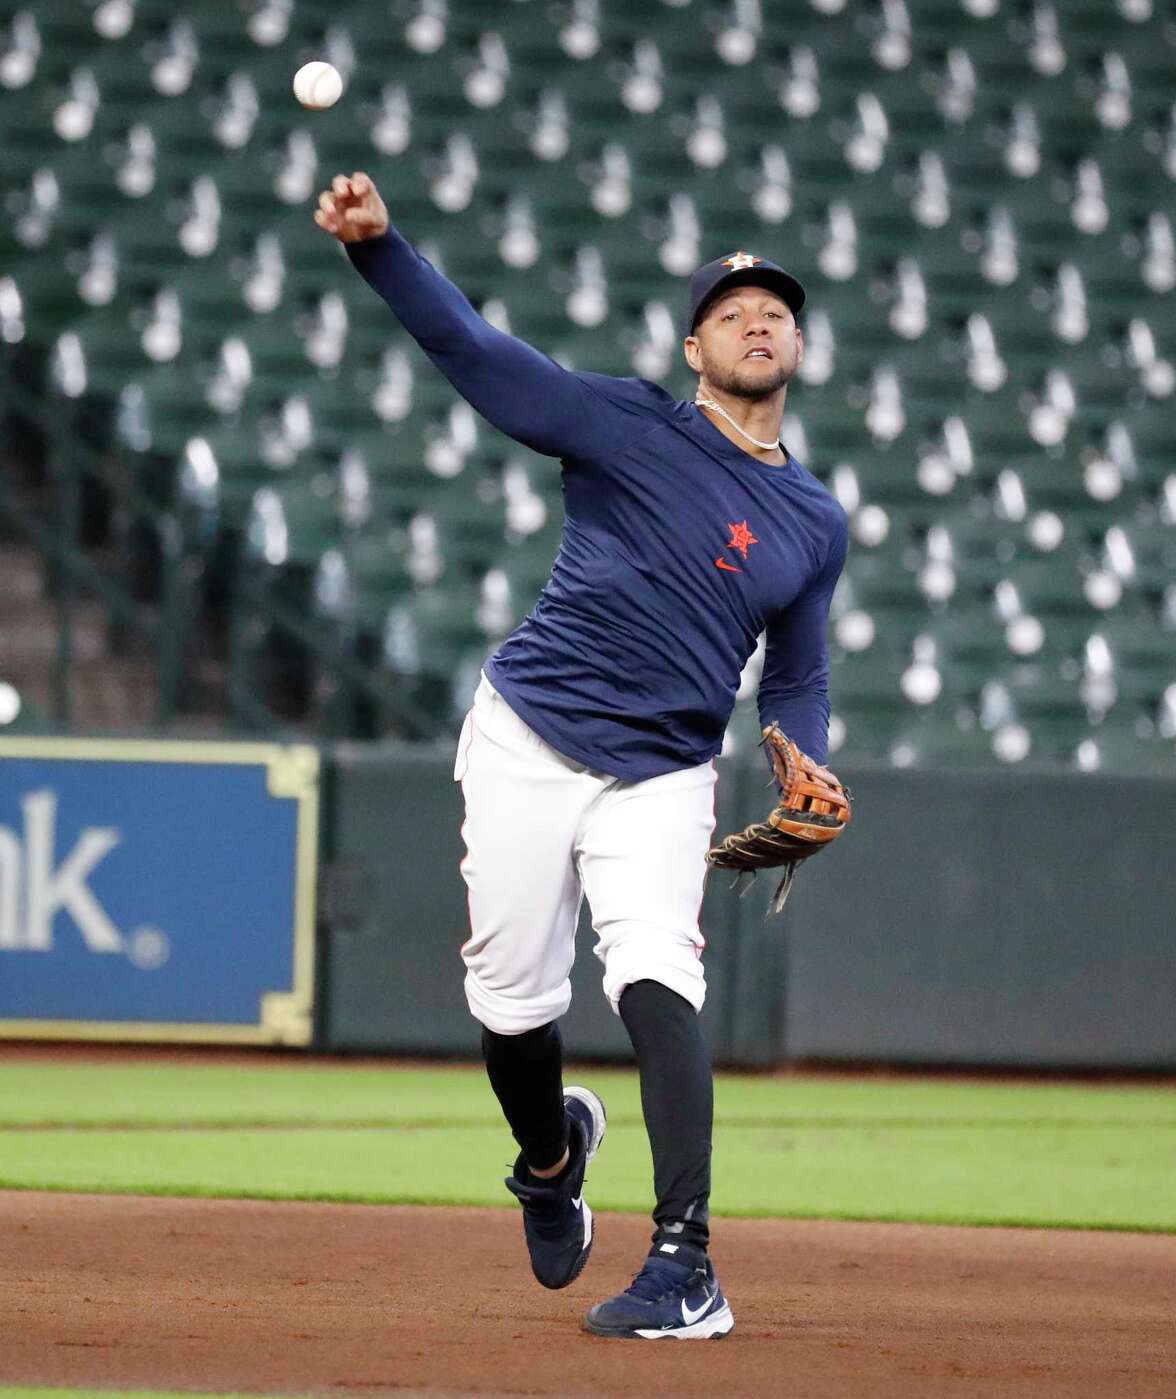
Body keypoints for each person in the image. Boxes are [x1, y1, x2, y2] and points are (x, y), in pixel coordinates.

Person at [315, 171, 848, 1340]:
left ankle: (685, 1261)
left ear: (798, 342)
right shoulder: (627, 422)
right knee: (511, 1002)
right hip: (528, 735)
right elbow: (471, 347)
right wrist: (378, 248)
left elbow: (797, 672)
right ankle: (552, 1157)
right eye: (732, 310)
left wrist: (802, 752)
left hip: (662, 771)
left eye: (776, 310)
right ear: (696, 346)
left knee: (658, 975)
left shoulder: (815, 518)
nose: (758, 321)